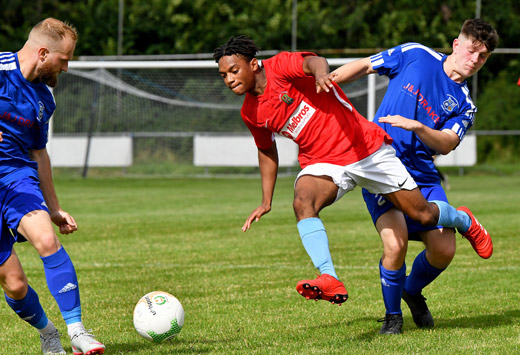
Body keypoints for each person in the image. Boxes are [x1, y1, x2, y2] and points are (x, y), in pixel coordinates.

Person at [213, 36, 491, 311]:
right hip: (322, 161)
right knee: (302, 202)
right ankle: (329, 276)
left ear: (254, 64)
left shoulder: (280, 66)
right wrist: (265, 200)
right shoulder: (252, 113)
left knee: (424, 215)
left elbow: (314, 62)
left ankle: (462, 220)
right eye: (223, 74)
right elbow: (266, 151)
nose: (229, 79)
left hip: (364, 148)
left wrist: (321, 75)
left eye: (234, 71)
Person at [332, 18, 498, 334]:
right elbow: (366, 66)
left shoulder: (465, 104)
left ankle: (411, 290)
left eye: (483, 57)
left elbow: (448, 143)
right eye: (472, 51)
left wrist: (419, 127)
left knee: (444, 249)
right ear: (456, 44)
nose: (475, 60)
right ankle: (393, 318)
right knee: (395, 246)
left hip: (422, 175)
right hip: (381, 166)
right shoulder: (416, 54)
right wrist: (329, 80)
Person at [0, 18, 105, 354]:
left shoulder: (44, 99)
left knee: (46, 239)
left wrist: (55, 207)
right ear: (43, 53)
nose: (67, 68)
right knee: (15, 285)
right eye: (64, 60)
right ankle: (48, 333)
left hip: (16, 175)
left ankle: (77, 332)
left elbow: (39, 153)